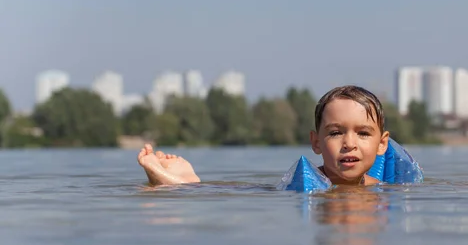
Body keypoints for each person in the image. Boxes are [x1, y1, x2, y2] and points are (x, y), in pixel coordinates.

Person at [137, 85, 390, 187]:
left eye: (363, 133)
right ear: (316, 142)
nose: (349, 143)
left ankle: (189, 184)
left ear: (382, 144)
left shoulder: (385, 190)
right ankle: (186, 185)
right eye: (335, 132)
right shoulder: (305, 186)